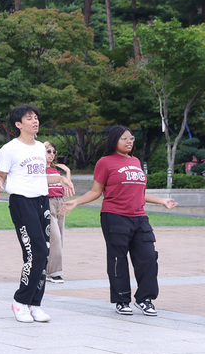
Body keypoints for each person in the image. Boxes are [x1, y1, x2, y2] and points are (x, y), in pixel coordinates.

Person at [62, 125, 177, 317]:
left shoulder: (136, 161)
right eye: (125, 138)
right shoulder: (105, 162)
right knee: (118, 260)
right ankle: (122, 300)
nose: (129, 141)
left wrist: (162, 201)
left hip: (139, 217)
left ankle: (144, 299)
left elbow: (137, 191)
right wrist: (76, 202)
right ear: (114, 140)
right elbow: (96, 192)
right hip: (114, 217)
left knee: (148, 258)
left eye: (131, 138)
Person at [0, 105, 53, 323]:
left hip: (41, 201)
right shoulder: (9, 149)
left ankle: (35, 304)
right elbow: (1, 175)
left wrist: (62, 179)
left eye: (36, 117)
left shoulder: (40, 148)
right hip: (21, 202)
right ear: (18, 124)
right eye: (30, 118)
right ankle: (20, 301)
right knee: (33, 252)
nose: (35, 121)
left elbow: (40, 176)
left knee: (44, 253)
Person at [44, 142, 75, 283]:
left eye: (53, 151)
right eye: (48, 151)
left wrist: (67, 172)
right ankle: (55, 272)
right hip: (47, 203)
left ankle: (49, 269)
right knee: (54, 237)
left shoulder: (56, 170)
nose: (51, 154)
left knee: (60, 237)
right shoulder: (38, 169)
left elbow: (67, 186)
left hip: (60, 203)